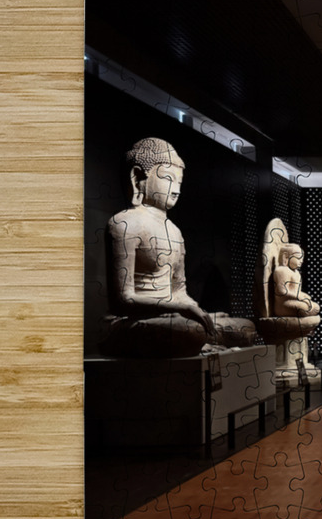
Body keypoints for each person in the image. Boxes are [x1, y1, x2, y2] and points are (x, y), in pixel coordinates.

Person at [99, 138, 256, 357]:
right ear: (138, 177)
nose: (176, 189)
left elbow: (179, 292)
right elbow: (123, 300)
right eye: (168, 178)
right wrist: (179, 308)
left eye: (179, 182)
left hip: (172, 318)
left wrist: (197, 311)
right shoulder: (124, 224)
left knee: (244, 328)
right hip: (130, 323)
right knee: (190, 331)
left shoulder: (174, 231)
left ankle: (197, 336)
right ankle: (195, 338)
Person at [271, 243, 320, 320]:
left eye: (302, 258)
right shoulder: (281, 271)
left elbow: (296, 291)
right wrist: (298, 297)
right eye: (298, 258)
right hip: (284, 303)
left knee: (316, 307)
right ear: (286, 257)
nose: (301, 261)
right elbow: (281, 291)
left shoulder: (297, 273)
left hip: (294, 301)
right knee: (305, 309)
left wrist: (304, 295)